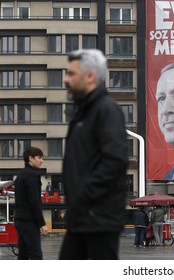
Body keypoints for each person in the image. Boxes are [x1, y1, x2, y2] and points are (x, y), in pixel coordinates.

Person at [59, 49, 129, 260]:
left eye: (71, 74)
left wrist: (83, 195)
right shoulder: (84, 112)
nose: (65, 79)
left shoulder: (106, 110)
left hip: (99, 218)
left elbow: (115, 162)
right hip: (82, 216)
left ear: (89, 76)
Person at [14, 147, 48, 260]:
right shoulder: (32, 175)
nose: (41, 160)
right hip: (29, 221)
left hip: (20, 219)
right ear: (30, 158)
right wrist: (42, 223)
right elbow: (34, 201)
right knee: (36, 255)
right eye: (39, 157)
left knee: (23, 255)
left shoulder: (20, 175)